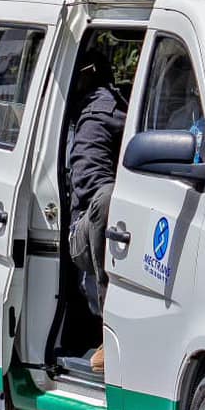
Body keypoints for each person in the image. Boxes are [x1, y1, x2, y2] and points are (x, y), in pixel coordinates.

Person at [63, 39, 127, 371]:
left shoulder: (118, 107)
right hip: (85, 233)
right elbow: (90, 183)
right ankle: (109, 327)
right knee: (108, 199)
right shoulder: (98, 112)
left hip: (122, 226)